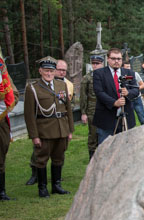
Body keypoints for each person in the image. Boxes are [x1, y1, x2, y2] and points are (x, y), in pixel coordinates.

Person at [24, 56, 73, 198]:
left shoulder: (61, 85)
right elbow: (29, 115)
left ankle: (56, 185)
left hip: (61, 128)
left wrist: (70, 130)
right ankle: (42, 187)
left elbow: (68, 109)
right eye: (46, 71)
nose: (49, 74)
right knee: (41, 159)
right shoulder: (32, 88)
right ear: (40, 71)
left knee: (59, 158)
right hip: (44, 130)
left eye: (51, 71)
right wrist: (34, 136)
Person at [92, 48, 139, 143]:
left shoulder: (129, 73)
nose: (116, 61)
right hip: (106, 118)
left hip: (126, 117)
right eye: (113, 58)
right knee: (105, 148)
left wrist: (128, 93)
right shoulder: (99, 74)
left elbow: (136, 90)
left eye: (119, 59)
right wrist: (114, 103)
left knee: (125, 147)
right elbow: (99, 92)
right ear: (108, 59)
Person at [80, 51, 105, 160]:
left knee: (104, 134)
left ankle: (103, 157)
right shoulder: (87, 78)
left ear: (102, 64)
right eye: (93, 63)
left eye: (97, 63)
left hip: (105, 110)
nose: (95, 65)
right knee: (93, 135)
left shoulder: (106, 77)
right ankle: (92, 159)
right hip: (92, 110)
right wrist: (83, 113)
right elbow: (83, 95)